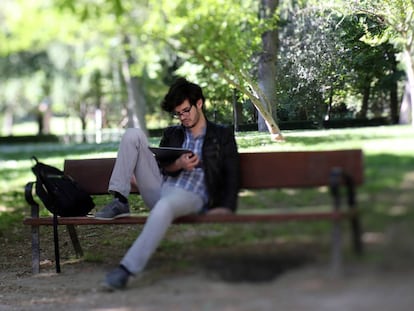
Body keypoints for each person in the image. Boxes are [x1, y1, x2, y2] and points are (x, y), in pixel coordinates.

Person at [96, 77, 240, 291]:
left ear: (199, 103)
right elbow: (162, 167)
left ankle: (126, 270)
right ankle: (120, 199)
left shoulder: (221, 134)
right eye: (178, 113)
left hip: (193, 195)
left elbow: (232, 173)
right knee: (133, 134)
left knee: (165, 205)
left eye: (186, 110)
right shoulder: (173, 133)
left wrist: (226, 206)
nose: (182, 117)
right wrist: (179, 164)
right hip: (163, 187)